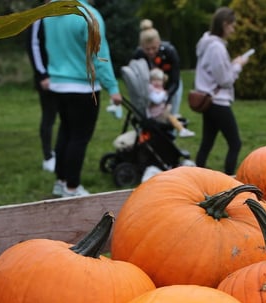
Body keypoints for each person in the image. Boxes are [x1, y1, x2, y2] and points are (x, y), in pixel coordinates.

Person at [42, 0, 122, 197]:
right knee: (78, 137)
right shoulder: (88, 15)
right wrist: (112, 87)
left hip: (58, 85)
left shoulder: (50, 13)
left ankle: (61, 182)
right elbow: (100, 56)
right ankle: (72, 187)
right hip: (82, 86)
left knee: (65, 132)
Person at [194, 7, 250, 176]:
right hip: (218, 102)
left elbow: (217, 72)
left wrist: (230, 65)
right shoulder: (216, 48)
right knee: (235, 143)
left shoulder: (207, 44)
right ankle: (229, 179)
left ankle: (196, 178)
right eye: (232, 26)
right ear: (225, 25)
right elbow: (224, 80)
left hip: (209, 101)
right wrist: (238, 66)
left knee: (207, 143)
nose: (233, 30)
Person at [133, 20, 184, 117]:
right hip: (150, 88)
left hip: (170, 85)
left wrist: (166, 97)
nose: (151, 52)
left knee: (169, 115)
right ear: (141, 46)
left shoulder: (170, 52)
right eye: (147, 49)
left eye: (154, 48)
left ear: (159, 43)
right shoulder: (138, 55)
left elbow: (175, 81)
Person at [26, 13, 56, 173]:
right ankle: (48, 156)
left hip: (64, 78)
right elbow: (33, 46)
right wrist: (42, 75)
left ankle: (59, 152)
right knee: (48, 117)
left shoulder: (62, 16)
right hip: (47, 79)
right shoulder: (39, 18)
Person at [147, 68, 195, 138]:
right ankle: (181, 130)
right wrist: (164, 94)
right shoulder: (151, 89)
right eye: (154, 80)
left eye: (159, 80)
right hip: (156, 115)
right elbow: (156, 100)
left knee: (175, 117)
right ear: (150, 81)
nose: (157, 82)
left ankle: (179, 125)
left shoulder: (159, 89)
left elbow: (165, 99)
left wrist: (164, 96)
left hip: (161, 112)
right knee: (171, 117)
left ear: (162, 81)